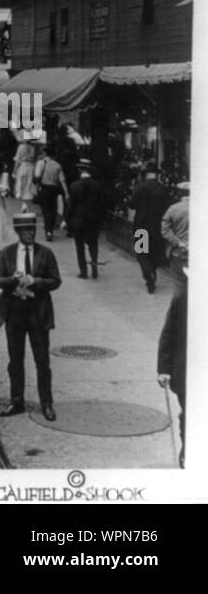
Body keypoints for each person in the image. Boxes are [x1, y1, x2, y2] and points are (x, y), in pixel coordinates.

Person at [0, 211, 61, 421]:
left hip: (37, 312)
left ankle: (47, 403)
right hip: (14, 312)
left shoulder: (45, 253)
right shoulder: (7, 253)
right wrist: (12, 280)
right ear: (18, 232)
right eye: (25, 231)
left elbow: (55, 281)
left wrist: (36, 282)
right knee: (15, 359)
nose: (30, 234)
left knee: (42, 360)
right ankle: (16, 401)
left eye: (32, 230)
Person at [157, 268, 187, 467]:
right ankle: (188, 455)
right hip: (188, 372)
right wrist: (164, 368)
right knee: (190, 415)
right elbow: (169, 333)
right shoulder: (184, 298)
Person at [130, 162, 172, 294]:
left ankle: (148, 274)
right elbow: (168, 207)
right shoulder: (163, 189)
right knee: (153, 253)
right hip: (157, 228)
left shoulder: (140, 188)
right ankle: (151, 280)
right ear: (156, 175)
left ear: (146, 175)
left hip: (142, 227)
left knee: (141, 252)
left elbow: (132, 205)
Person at [65, 158, 106, 279]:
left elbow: (71, 206)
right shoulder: (98, 186)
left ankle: (83, 271)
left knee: (80, 247)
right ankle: (94, 263)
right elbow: (102, 204)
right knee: (93, 244)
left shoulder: (74, 186)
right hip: (94, 221)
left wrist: (66, 220)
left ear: (80, 171)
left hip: (79, 221)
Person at [32, 140, 68, 242]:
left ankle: (48, 230)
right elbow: (62, 180)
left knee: (45, 210)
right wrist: (66, 193)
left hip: (44, 188)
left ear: (45, 153)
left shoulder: (40, 163)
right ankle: (50, 229)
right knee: (53, 210)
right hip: (54, 189)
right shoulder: (57, 165)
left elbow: (37, 176)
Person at [160, 182, 189, 282]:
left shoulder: (174, 209)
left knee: (180, 283)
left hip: (179, 251)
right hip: (198, 252)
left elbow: (165, 230)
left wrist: (178, 242)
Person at [13, 135, 38, 204]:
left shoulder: (21, 147)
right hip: (31, 165)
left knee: (20, 180)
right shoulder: (33, 148)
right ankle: (26, 199)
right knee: (29, 182)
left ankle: (21, 197)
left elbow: (17, 159)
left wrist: (14, 170)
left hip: (23, 165)